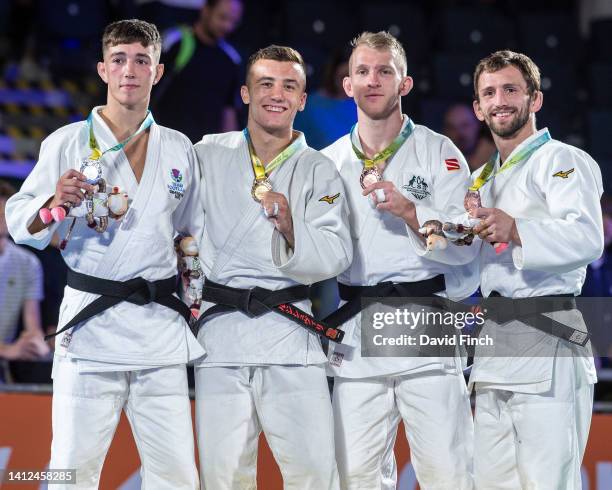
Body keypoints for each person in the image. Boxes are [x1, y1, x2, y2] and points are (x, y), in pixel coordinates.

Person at [5, 19, 204, 489]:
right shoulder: (68, 142)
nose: (129, 70)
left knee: (177, 476)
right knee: (72, 471)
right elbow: (19, 222)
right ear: (102, 69)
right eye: (119, 59)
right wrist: (52, 206)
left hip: (160, 329)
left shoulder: (180, 148)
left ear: (157, 72)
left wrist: (197, 301)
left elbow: (191, 237)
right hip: (91, 328)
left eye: (141, 60)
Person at [192, 44, 352, 489]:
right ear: (245, 93)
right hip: (221, 337)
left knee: (315, 475)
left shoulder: (318, 169)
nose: (276, 94)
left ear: (303, 99)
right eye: (265, 83)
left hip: (288, 337)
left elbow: (337, 253)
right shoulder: (206, 154)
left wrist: (292, 228)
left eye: (289, 86)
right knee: (222, 477)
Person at [321, 31, 477, 489]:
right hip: (357, 328)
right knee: (356, 477)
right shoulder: (326, 162)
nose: (373, 81)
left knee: (448, 473)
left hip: (424, 323)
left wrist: (412, 212)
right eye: (362, 72)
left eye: (384, 71)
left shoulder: (440, 152)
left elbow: (468, 242)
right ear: (346, 84)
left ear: (404, 84)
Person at [467, 50, 603, 489]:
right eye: (489, 92)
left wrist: (517, 228)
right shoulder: (479, 179)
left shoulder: (564, 160)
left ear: (535, 99)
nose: (500, 100)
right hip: (494, 342)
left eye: (510, 89)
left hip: (549, 332)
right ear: (478, 107)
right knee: (491, 482)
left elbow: (587, 238)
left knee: (549, 482)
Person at [153, 0, 243, 142]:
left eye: (234, 22)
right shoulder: (175, 42)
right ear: (206, 10)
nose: (228, 26)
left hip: (204, 150)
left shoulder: (231, 59)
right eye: (223, 18)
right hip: (165, 142)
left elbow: (229, 110)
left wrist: (233, 149)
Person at [0, 180, 48, 367]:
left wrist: (36, 343)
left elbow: (32, 326)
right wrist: (6, 350)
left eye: (5, 211)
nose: (2, 216)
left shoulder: (28, 263)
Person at [294, 48, 357, 150]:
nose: (348, 83)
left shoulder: (366, 105)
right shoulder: (310, 106)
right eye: (343, 77)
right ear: (333, 74)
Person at [442, 102, 496, 172]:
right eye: (452, 128)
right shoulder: (442, 155)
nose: (459, 133)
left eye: (465, 125)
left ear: (478, 125)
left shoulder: (499, 156)